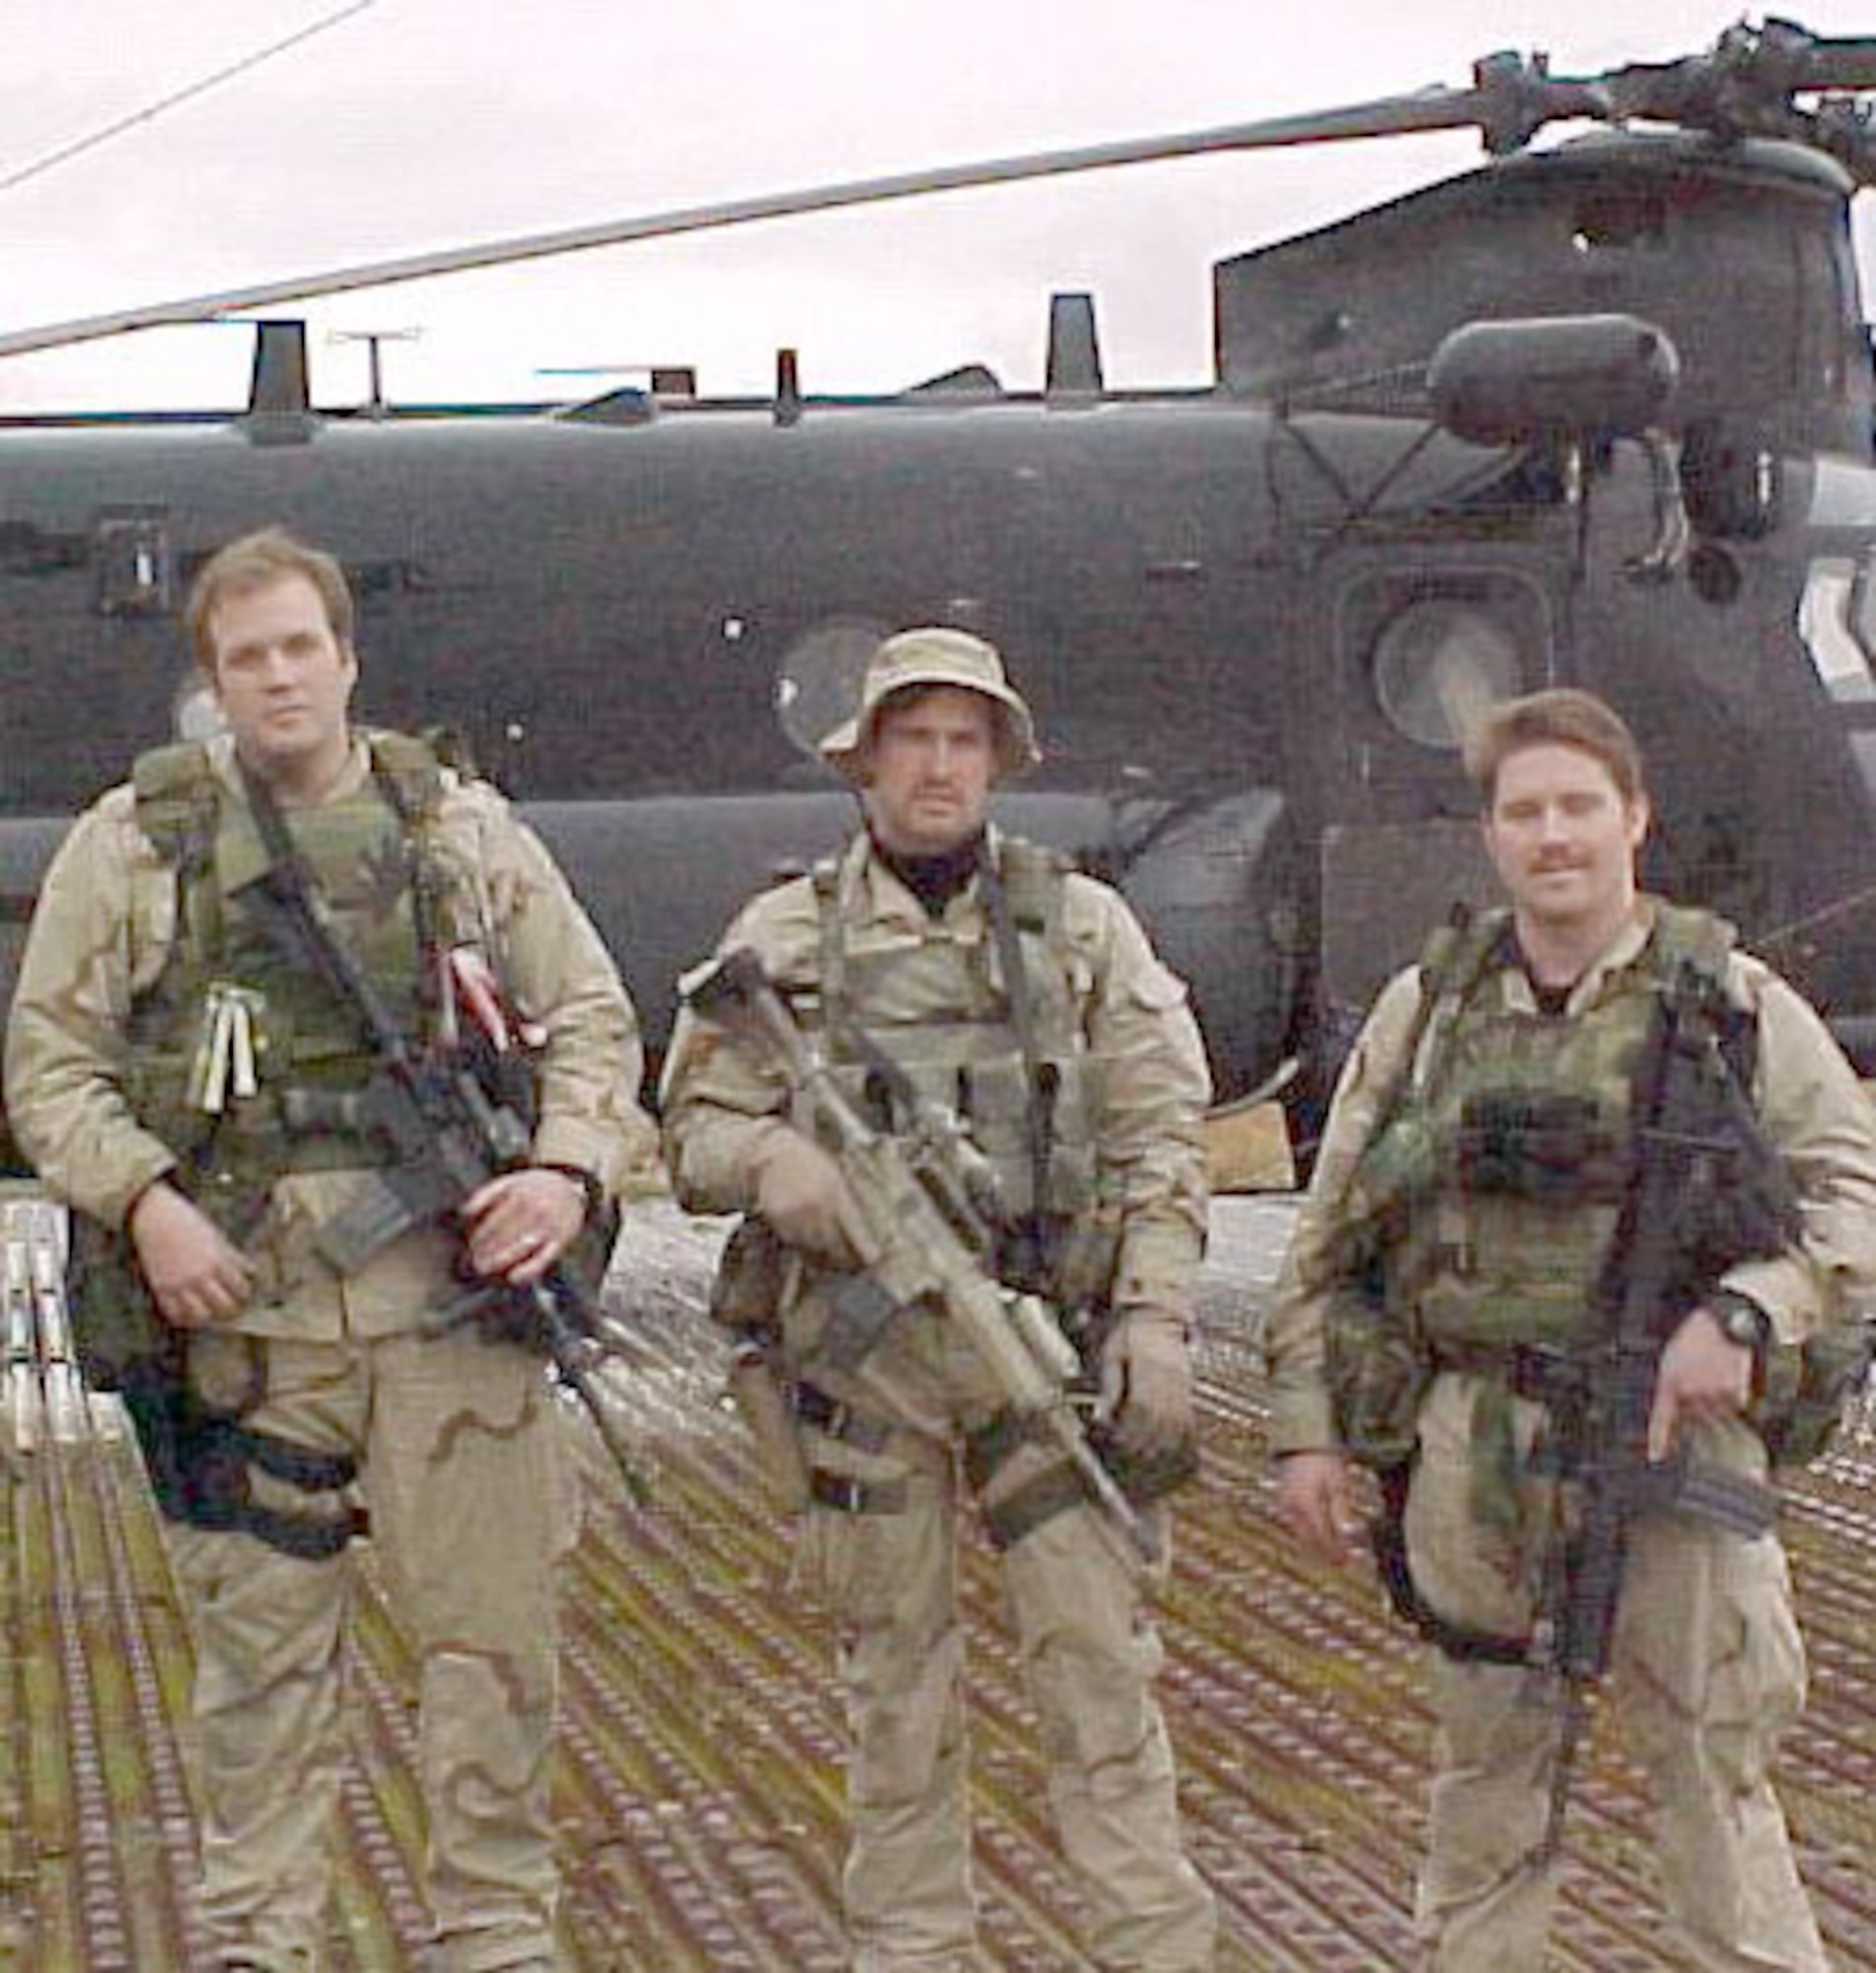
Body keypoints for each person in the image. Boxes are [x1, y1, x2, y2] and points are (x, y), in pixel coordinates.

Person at [5, 527, 648, 1973]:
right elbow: (50, 1063)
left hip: (454, 1320)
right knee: (257, 1675)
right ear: (212, 685)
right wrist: (148, 1200)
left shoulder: (457, 833)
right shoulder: (140, 845)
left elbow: (594, 1022)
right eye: (248, 658)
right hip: (251, 1338)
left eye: (302, 648)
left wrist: (561, 1173)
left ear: (347, 661)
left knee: (492, 1660)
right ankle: (259, 1937)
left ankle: (492, 1934)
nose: (280, 678)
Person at [1265, 687, 1876, 1972]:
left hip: (1676, 1448)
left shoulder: (1727, 1003)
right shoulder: (1426, 1010)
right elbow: (1328, 1235)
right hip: (1472, 1452)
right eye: (1524, 811)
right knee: (1486, 1788)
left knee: (1713, 1781)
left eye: (1578, 807)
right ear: (1489, 835)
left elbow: (1852, 1188)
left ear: (1632, 820)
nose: (1554, 837)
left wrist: (1745, 1313)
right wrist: (1307, 1434)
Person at [659, 626, 1217, 1972]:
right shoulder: (783, 936)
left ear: (996, 763)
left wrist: (1150, 1315)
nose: (937, 767)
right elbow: (687, 1130)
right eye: (912, 738)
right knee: (893, 1686)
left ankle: (1152, 1946)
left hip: (1043, 1357)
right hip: (863, 1374)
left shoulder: (1078, 927)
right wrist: (772, 1160)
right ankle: (911, 1948)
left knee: (1097, 1668)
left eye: (963, 741)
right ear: (865, 763)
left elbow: (1161, 1131)